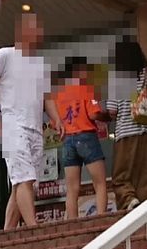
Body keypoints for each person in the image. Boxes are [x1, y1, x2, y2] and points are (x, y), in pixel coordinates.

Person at [0, 12, 64, 229]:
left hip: (35, 128)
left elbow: (47, 97)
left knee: (22, 183)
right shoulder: (5, 55)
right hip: (12, 125)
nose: (39, 33)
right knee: (24, 179)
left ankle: (7, 233)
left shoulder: (40, 64)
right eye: (35, 28)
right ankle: (33, 227)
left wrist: (56, 119)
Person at [54, 57, 110, 219]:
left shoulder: (58, 94)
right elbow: (93, 114)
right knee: (100, 183)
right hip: (86, 137)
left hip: (67, 141)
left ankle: (72, 223)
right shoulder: (86, 88)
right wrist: (107, 117)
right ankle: (101, 219)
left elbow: (54, 122)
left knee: (72, 189)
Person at [106, 42, 147, 210]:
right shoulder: (145, 74)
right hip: (145, 131)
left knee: (121, 176)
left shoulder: (117, 78)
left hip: (125, 134)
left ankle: (129, 200)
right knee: (143, 177)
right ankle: (142, 208)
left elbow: (112, 110)